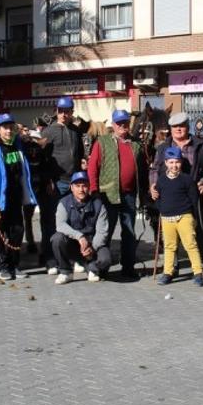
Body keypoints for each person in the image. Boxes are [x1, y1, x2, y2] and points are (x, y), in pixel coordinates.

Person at [148, 112, 203, 272]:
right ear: (170, 129)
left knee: (199, 231)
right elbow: (155, 168)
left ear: (188, 126)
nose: (179, 129)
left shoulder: (200, 145)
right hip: (171, 197)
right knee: (171, 237)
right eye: (175, 127)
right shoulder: (163, 147)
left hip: (194, 197)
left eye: (182, 126)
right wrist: (153, 185)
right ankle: (172, 268)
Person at [88, 109, 143, 281]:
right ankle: (101, 268)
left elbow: (143, 170)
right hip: (107, 195)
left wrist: (145, 192)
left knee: (129, 232)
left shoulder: (136, 145)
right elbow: (92, 167)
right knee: (105, 232)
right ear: (113, 125)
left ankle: (128, 267)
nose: (122, 126)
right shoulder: (102, 142)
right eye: (119, 123)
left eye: (125, 123)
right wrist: (94, 190)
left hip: (128, 195)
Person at [0, 113, 36, 281]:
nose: (8, 130)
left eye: (11, 127)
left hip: (16, 195)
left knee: (18, 231)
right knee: (0, 233)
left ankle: (15, 264)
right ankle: (2, 266)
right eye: (5, 127)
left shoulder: (18, 145)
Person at [39, 96, 85, 275]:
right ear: (56, 111)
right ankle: (50, 260)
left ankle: (72, 258)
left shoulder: (76, 131)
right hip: (55, 183)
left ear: (72, 112)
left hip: (72, 182)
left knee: (73, 221)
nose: (64, 114)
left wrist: (82, 165)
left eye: (67, 111)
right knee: (50, 221)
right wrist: (48, 180)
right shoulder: (48, 132)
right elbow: (42, 160)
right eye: (60, 111)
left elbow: (80, 154)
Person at [154, 146, 203, 286]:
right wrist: (162, 208)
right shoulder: (161, 180)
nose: (174, 165)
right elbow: (158, 197)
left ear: (181, 163)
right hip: (166, 218)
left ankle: (198, 272)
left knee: (190, 244)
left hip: (184, 216)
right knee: (169, 246)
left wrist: (191, 214)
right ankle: (167, 273)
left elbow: (193, 198)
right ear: (166, 163)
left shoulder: (186, 179)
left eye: (177, 162)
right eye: (171, 162)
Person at [51, 170, 110, 284]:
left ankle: (92, 268)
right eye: (77, 186)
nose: (81, 189)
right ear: (71, 187)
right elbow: (60, 225)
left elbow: (102, 232)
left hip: (93, 244)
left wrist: (91, 249)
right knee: (57, 238)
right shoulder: (63, 203)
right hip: (73, 244)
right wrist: (80, 237)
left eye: (84, 186)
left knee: (105, 260)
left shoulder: (99, 205)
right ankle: (66, 272)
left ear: (89, 187)